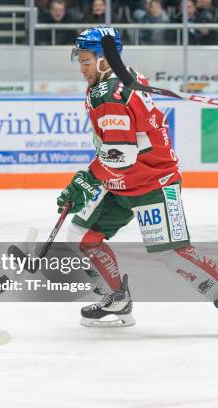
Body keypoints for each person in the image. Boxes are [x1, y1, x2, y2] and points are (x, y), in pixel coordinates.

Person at [62, 26, 218, 327]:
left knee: (174, 254)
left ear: (105, 59)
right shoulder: (122, 76)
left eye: (85, 61)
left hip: (152, 184)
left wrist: (87, 178)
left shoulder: (109, 95)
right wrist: (91, 177)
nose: (81, 68)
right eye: (80, 60)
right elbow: (116, 149)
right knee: (83, 237)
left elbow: (121, 155)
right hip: (123, 183)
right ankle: (116, 299)